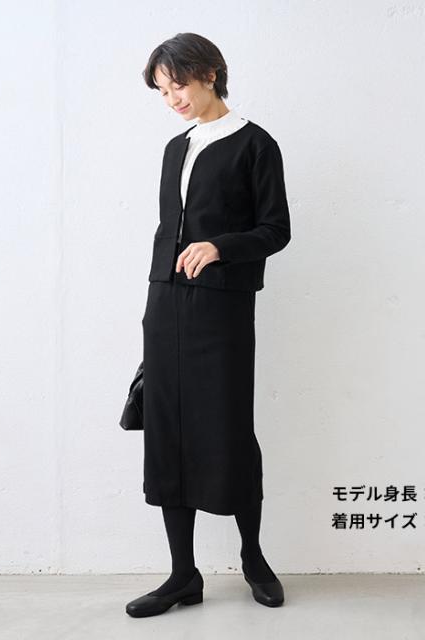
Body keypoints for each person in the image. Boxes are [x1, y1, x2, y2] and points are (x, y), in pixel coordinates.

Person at [126, 32, 291, 618]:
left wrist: (220, 246)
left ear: (211, 74)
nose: (172, 99)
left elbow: (276, 229)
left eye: (178, 85)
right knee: (166, 430)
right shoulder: (176, 147)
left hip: (221, 309)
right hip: (166, 305)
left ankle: (253, 558)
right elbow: (168, 229)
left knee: (228, 429)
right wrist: (157, 297)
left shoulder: (255, 144)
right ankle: (182, 575)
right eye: (162, 91)